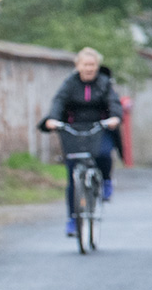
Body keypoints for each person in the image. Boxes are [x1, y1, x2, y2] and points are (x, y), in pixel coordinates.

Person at [41, 47, 122, 237]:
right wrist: (53, 119)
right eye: (85, 65)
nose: (89, 68)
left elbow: (113, 102)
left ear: (97, 66)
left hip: (99, 127)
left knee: (103, 153)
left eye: (92, 65)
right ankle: (72, 219)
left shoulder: (104, 83)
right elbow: (59, 101)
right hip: (75, 129)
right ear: (78, 66)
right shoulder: (70, 84)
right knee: (72, 175)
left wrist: (114, 117)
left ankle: (106, 181)